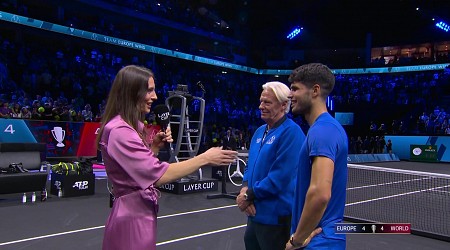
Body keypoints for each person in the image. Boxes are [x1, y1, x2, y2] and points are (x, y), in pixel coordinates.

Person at [96, 65, 237, 250]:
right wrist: (204, 158)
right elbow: (158, 176)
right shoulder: (121, 131)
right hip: (132, 220)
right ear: (132, 92)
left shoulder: (129, 127)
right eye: (149, 90)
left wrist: (153, 148)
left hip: (138, 214)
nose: (154, 97)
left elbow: (136, 171)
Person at [236, 81, 305, 250]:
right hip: (254, 215)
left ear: (283, 105)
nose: (261, 106)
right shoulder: (259, 131)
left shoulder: (292, 133)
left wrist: (247, 196)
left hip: (275, 220)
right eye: (261, 101)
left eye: (267, 102)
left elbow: (279, 178)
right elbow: (249, 167)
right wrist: (245, 189)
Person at [286, 63, 348, 249]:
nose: (290, 95)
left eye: (295, 89)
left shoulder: (322, 131)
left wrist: (296, 239)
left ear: (315, 91)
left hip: (318, 241)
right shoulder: (325, 128)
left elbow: (320, 194)